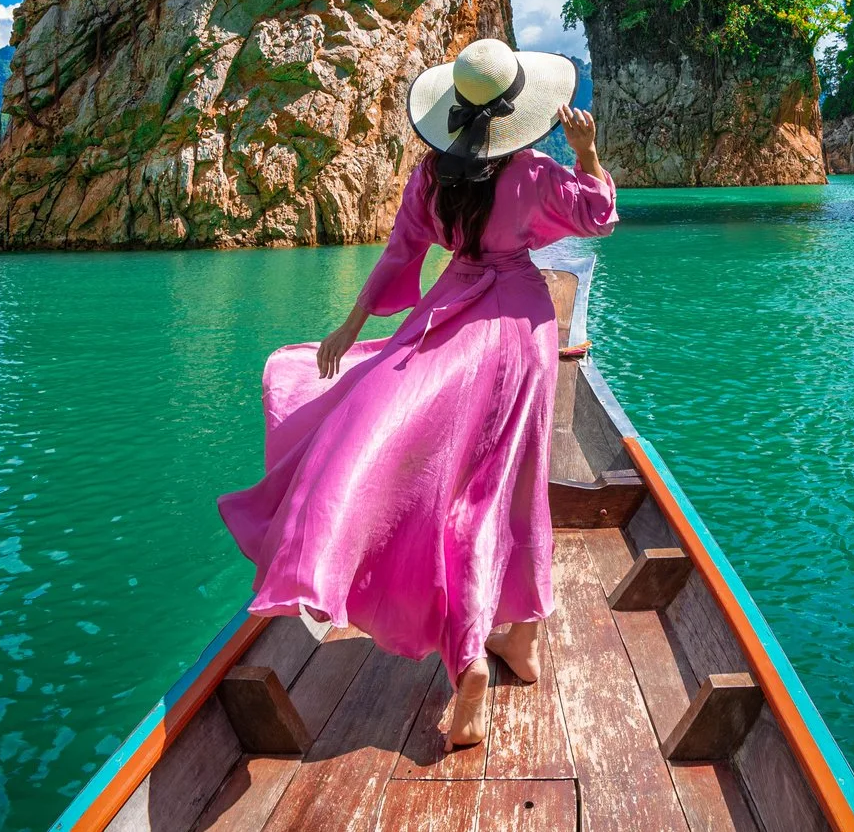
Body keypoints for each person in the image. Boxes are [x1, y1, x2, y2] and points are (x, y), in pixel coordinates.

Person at [217, 37, 617, 748]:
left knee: (446, 486)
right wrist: (586, 153)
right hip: (522, 332)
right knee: (509, 488)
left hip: (451, 318)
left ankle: (473, 647)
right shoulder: (533, 174)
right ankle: (509, 640)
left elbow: (402, 253)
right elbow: (595, 214)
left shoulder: (433, 178)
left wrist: (349, 325)